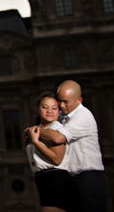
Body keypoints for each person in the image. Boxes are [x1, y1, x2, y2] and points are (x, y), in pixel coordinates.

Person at [37, 81, 108, 212]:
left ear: (79, 100)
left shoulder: (83, 116)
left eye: (66, 102)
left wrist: (35, 131)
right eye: (59, 101)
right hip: (73, 179)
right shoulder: (65, 117)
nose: (61, 105)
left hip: (89, 177)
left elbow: (57, 137)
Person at [26, 92, 78, 212]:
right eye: (45, 107)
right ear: (38, 109)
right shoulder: (38, 129)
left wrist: (36, 142)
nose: (50, 111)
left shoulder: (56, 128)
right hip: (44, 181)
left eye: (54, 108)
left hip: (56, 180)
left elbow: (56, 159)